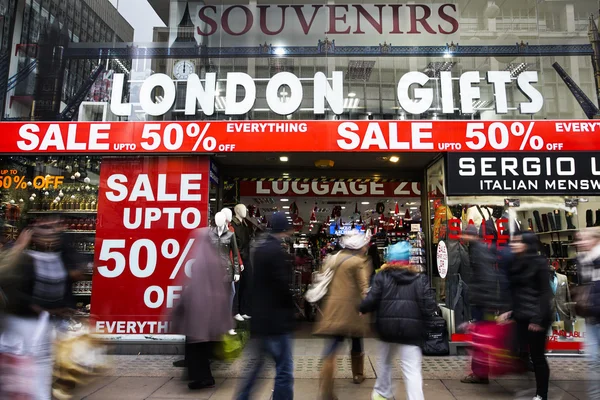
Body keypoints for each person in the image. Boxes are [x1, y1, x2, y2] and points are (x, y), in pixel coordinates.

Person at [0, 217, 81, 400]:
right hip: (19, 322)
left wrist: (62, 309)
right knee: (16, 370)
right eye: (45, 227)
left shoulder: (62, 252)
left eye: (54, 227)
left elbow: (71, 277)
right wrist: (18, 248)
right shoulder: (20, 255)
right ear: (31, 232)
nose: (51, 231)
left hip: (45, 322)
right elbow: (6, 281)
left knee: (42, 368)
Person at [359, 241, 437, 400]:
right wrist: (429, 326)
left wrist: (362, 308)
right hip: (411, 331)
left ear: (389, 259)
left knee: (385, 363)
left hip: (387, 328)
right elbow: (429, 304)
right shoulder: (419, 278)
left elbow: (372, 298)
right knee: (412, 370)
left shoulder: (382, 276)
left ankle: (382, 393)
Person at [236, 212, 295, 400]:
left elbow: (255, 283)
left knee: (256, 367)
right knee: (284, 369)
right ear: (283, 229)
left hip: (260, 319)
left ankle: (242, 397)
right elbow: (281, 285)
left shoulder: (259, 249)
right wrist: (291, 308)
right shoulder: (277, 251)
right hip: (276, 321)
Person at [314, 229, 372, 400]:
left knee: (331, 347)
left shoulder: (333, 259)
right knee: (356, 340)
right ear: (359, 246)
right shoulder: (358, 262)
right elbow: (364, 287)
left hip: (332, 309)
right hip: (352, 310)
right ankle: (357, 375)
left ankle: (326, 386)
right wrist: (366, 306)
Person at [172, 227, 232, 390]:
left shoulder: (200, 259)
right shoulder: (214, 258)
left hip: (200, 311)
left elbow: (193, 285)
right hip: (211, 311)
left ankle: (201, 377)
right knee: (201, 347)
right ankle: (201, 376)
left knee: (195, 346)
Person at [499, 232, 553, 400]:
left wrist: (538, 319)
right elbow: (515, 291)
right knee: (516, 350)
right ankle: (528, 384)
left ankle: (541, 394)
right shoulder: (515, 262)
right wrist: (509, 311)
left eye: (518, 242)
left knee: (537, 357)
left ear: (527, 244)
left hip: (537, 317)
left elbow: (545, 293)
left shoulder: (539, 263)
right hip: (521, 315)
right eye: (513, 241)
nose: (513, 245)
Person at [460, 225, 499, 384]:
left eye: (464, 234)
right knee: (481, 338)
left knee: (480, 339)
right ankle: (481, 372)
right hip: (485, 300)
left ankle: (480, 373)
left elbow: (485, 275)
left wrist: (479, 297)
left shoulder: (477, 250)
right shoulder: (479, 248)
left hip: (482, 301)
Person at [575, 227, 600, 399]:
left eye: (584, 238)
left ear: (595, 239)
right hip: (591, 316)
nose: (580, 242)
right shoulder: (583, 260)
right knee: (593, 360)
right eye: (579, 239)